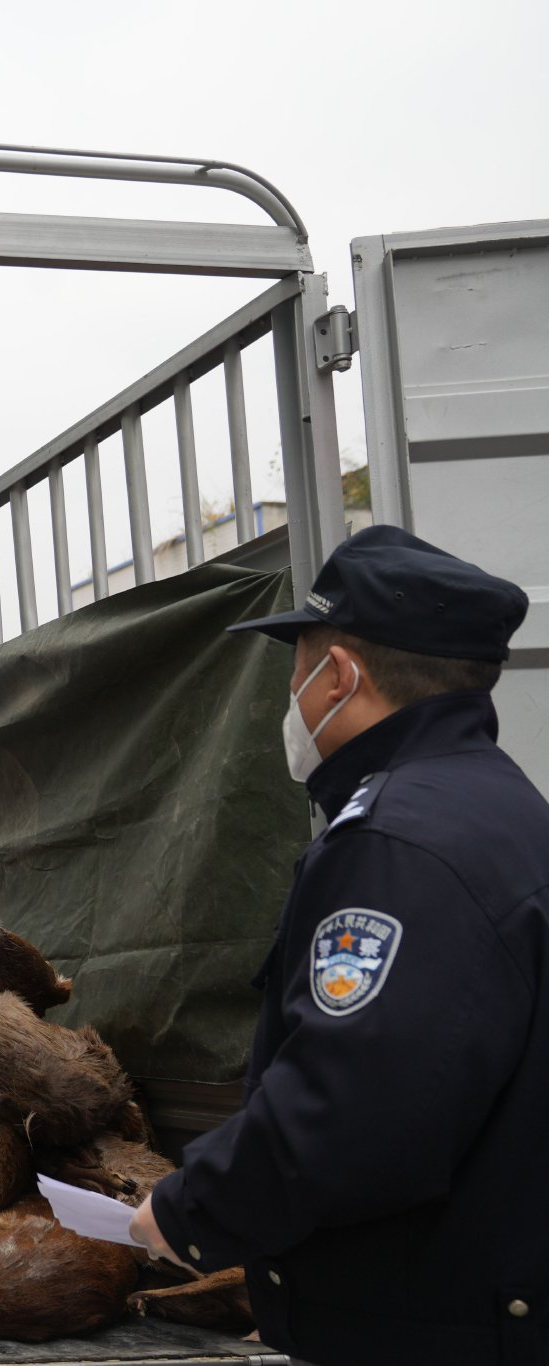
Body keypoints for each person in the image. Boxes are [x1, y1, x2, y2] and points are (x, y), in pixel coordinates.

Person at [126, 525, 547, 1365]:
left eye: (296, 674)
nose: (294, 700)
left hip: (433, 1326)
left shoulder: (393, 842)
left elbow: (356, 1105)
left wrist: (190, 1213)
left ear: (340, 677)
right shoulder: (503, 808)